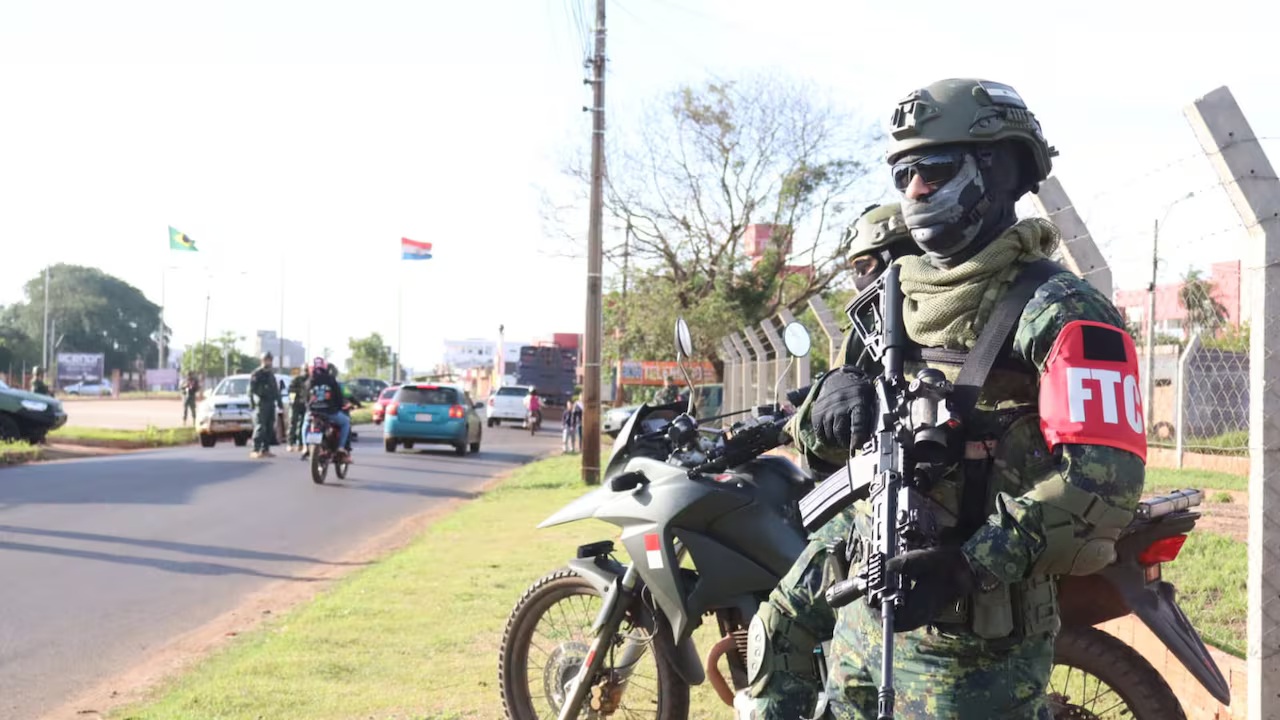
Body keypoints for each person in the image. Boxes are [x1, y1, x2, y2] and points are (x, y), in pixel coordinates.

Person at [777, 79, 1144, 720]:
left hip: (975, 659)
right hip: (860, 633)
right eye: (903, 175)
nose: (916, 189)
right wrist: (822, 411)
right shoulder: (890, 301)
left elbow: (1103, 486)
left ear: (1000, 170)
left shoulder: (1062, 310)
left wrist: (966, 567)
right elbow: (826, 454)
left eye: (936, 168)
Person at [737, 203, 923, 719]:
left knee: (781, 622)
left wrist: (804, 424)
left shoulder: (921, 322)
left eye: (865, 265)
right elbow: (839, 397)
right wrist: (804, 407)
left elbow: (850, 426)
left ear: (898, 258)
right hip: (888, 502)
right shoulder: (881, 324)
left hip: (904, 514)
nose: (859, 279)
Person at [305, 358, 351, 460]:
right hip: (330, 412)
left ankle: (305, 447)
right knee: (345, 422)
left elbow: (305, 398)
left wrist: (309, 408)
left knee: (305, 424)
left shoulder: (309, 381)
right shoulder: (331, 380)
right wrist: (339, 406)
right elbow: (339, 397)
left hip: (313, 412)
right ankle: (341, 447)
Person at [248, 352, 283, 459]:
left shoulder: (271, 374)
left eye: (270, 360)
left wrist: (279, 402)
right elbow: (251, 390)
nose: (268, 362)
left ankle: (265, 449)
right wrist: (252, 403)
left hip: (270, 403)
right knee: (260, 427)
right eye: (266, 360)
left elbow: (275, 389)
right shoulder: (257, 373)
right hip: (261, 403)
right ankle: (255, 449)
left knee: (269, 427)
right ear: (262, 360)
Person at [287, 364, 310, 452]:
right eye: (305, 370)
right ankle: (290, 443)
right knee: (293, 423)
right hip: (296, 404)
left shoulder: (310, 379)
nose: (306, 372)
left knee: (303, 424)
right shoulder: (296, 379)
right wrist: (292, 401)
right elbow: (291, 390)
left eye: (307, 370)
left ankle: (300, 443)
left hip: (305, 404)